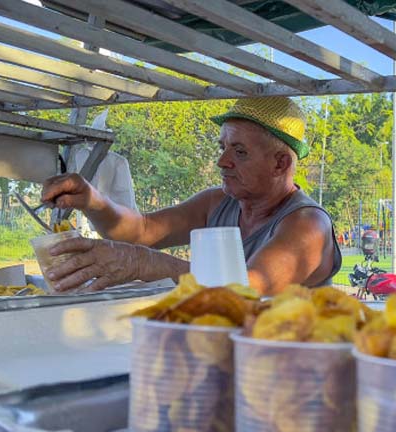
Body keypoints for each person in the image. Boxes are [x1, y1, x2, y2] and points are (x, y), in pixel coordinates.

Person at [40, 96, 341, 295]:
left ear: (280, 163)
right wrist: (92, 199)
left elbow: (245, 290)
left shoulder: (307, 224)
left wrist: (144, 264)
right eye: (222, 147)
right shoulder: (217, 203)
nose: (222, 161)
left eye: (239, 151)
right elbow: (140, 231)